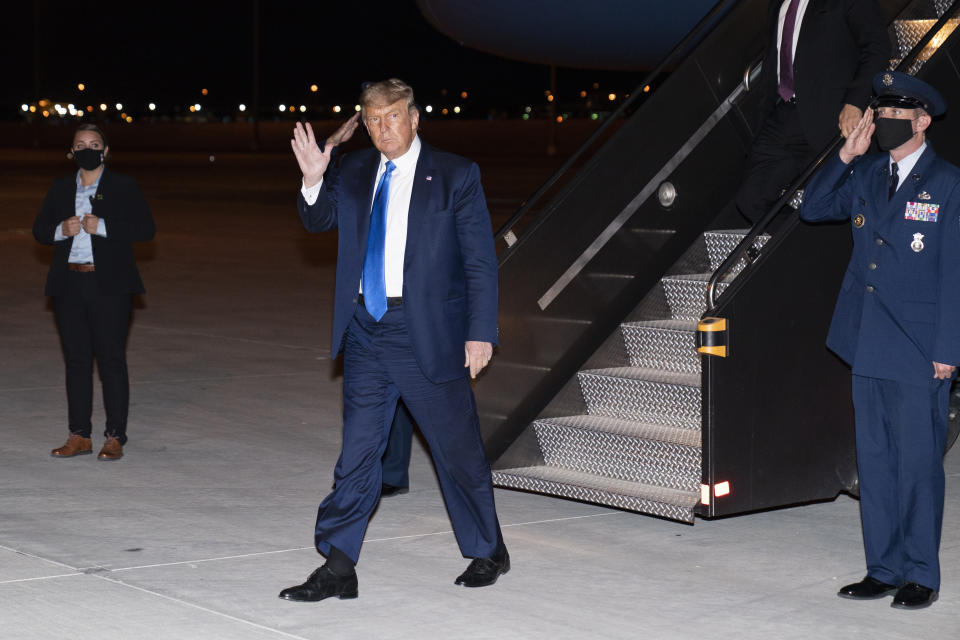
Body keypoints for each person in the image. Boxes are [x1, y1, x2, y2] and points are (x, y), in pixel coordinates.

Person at [280, 78, 508, 602]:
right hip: (365, 330)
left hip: (426, 332)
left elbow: (479, 261)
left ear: (414, 118)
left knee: (456, 451)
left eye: (393, 117)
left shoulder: (455, 175)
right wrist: (314, 179)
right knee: (358, 451)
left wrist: (480, 333)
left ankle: (487, 549)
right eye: (374, 118)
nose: (384, 128)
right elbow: (317, 221)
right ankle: (339, 566)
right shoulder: (357, 170)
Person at [801, 71, 960, 609]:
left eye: (897, 115)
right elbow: (812, 206)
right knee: (875, 460)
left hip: (919, 349)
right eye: (881, 113)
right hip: (867, 340)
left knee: (918, 463)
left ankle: (921, 573)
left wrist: (949, 349)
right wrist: (846, 154)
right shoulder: (868, 174)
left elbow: (954, 272)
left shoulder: (949, 183)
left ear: (923, 120)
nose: (886, 123)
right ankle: (884, 567)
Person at [33, 124, 156, 461]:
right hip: (69, 284)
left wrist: (101, 226)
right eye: (80, 145)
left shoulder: (122, 186)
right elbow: (39, 230)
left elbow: (146, 228)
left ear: (106, 151)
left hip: (110, 286)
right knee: (76, 362)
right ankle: (79, 435)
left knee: (112, 361)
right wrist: (62, 229)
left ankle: (115, 436)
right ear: (71, 153)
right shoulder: (60, 188)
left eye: (95, 144)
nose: (88, 149)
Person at [735, 0, 890, 223]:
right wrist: (764, 120)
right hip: (782, 118)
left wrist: (855, 102)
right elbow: (773, 66)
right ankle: (799, 247)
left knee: (842, 203)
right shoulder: (778, 5)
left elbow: (877, 48)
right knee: (751, 199)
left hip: (832, 118)